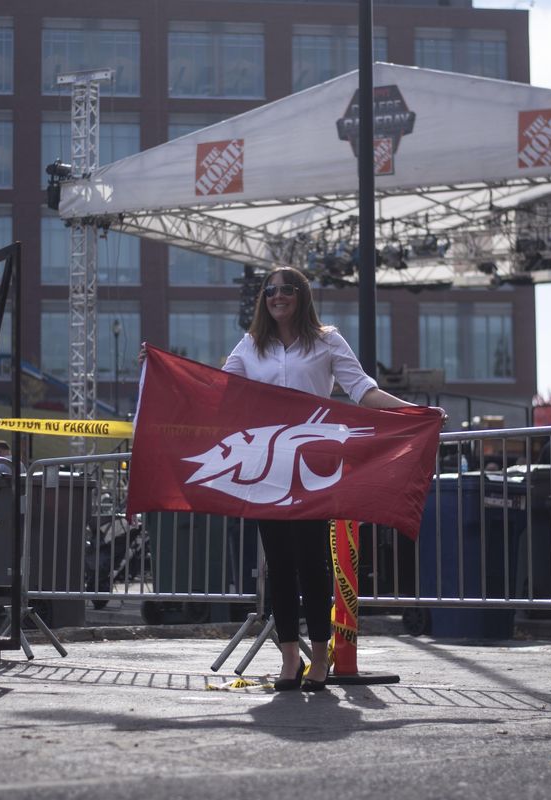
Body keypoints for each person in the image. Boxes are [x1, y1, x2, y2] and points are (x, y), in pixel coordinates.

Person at [144, 266, 441, 691]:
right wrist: (162, 372)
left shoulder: (327, 340)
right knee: (279, 566)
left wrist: (415, 412)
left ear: (302, 296)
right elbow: (218, 390)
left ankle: (319, 658)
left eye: (286, 290)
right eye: (270, 291)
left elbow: (363, 390)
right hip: (268, 470)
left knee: (312, 563)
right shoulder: (250, 345)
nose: (277, 296)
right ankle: (288, 660)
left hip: (314, 467)